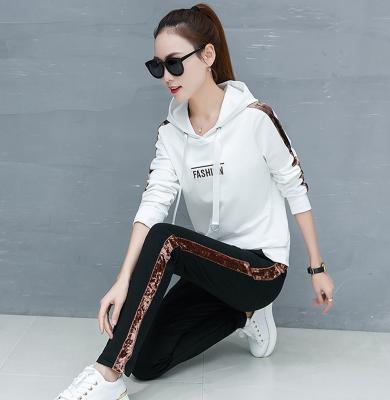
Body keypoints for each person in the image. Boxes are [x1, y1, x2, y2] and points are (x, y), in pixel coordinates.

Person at [53, 3, 334, 399]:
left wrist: (317, 268)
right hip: (213, 270)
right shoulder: (171, 134)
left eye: (174, 63)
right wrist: (122, 280)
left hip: (262, 269)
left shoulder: (256, 119)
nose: (167, 76)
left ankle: (106, 375)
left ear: (207, 56)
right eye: (157, 67)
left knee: (168, 239)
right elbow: (153, 204)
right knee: (145, 363)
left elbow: (295, 188)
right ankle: (244, 315)